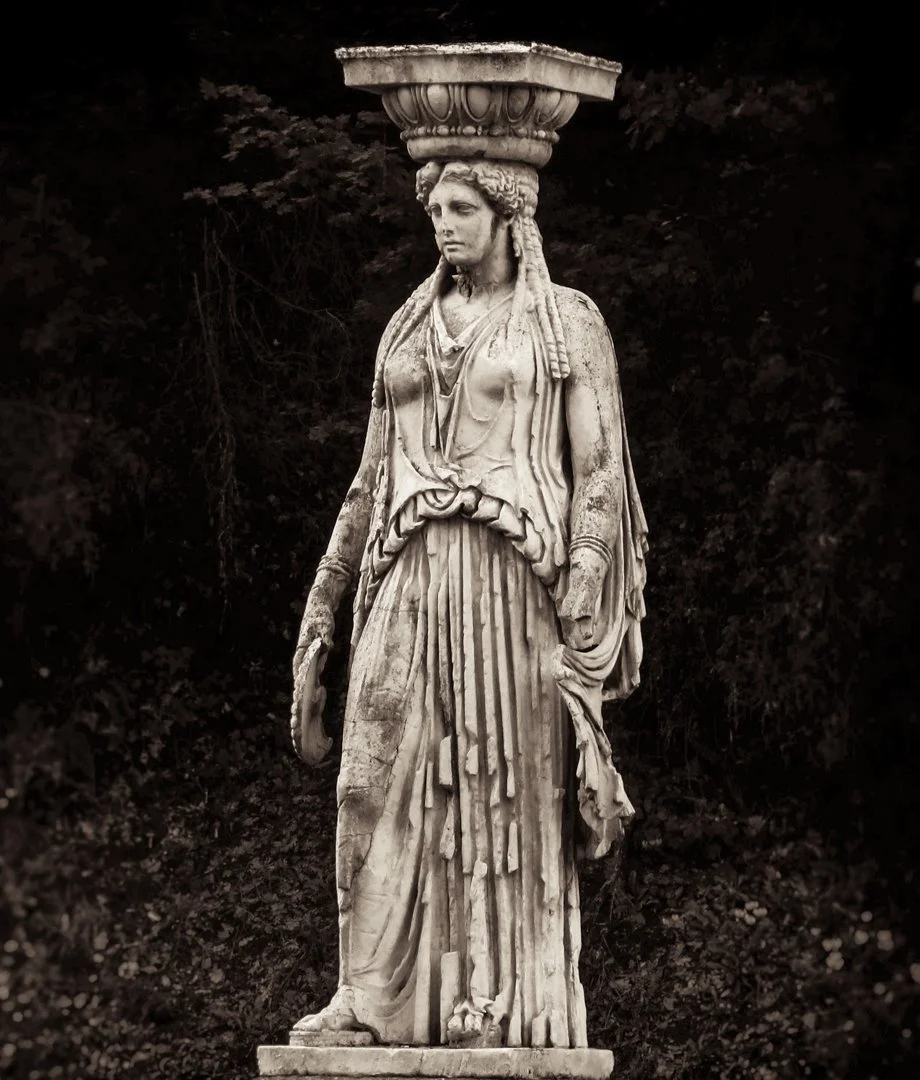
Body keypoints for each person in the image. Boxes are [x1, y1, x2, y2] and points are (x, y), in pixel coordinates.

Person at [290, 158, 648, 1049]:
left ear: (507, 212)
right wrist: (324, 601)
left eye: (461, 207)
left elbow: (599, 467)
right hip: (407, 573)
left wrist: (587, 567)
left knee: (496, 785)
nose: (443, 223)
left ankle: (492, 995)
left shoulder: (564, 323)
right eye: (435, 209)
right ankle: (363, 994)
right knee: (365, 784)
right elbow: (368, 480)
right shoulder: (407, 324)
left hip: (511, 577)